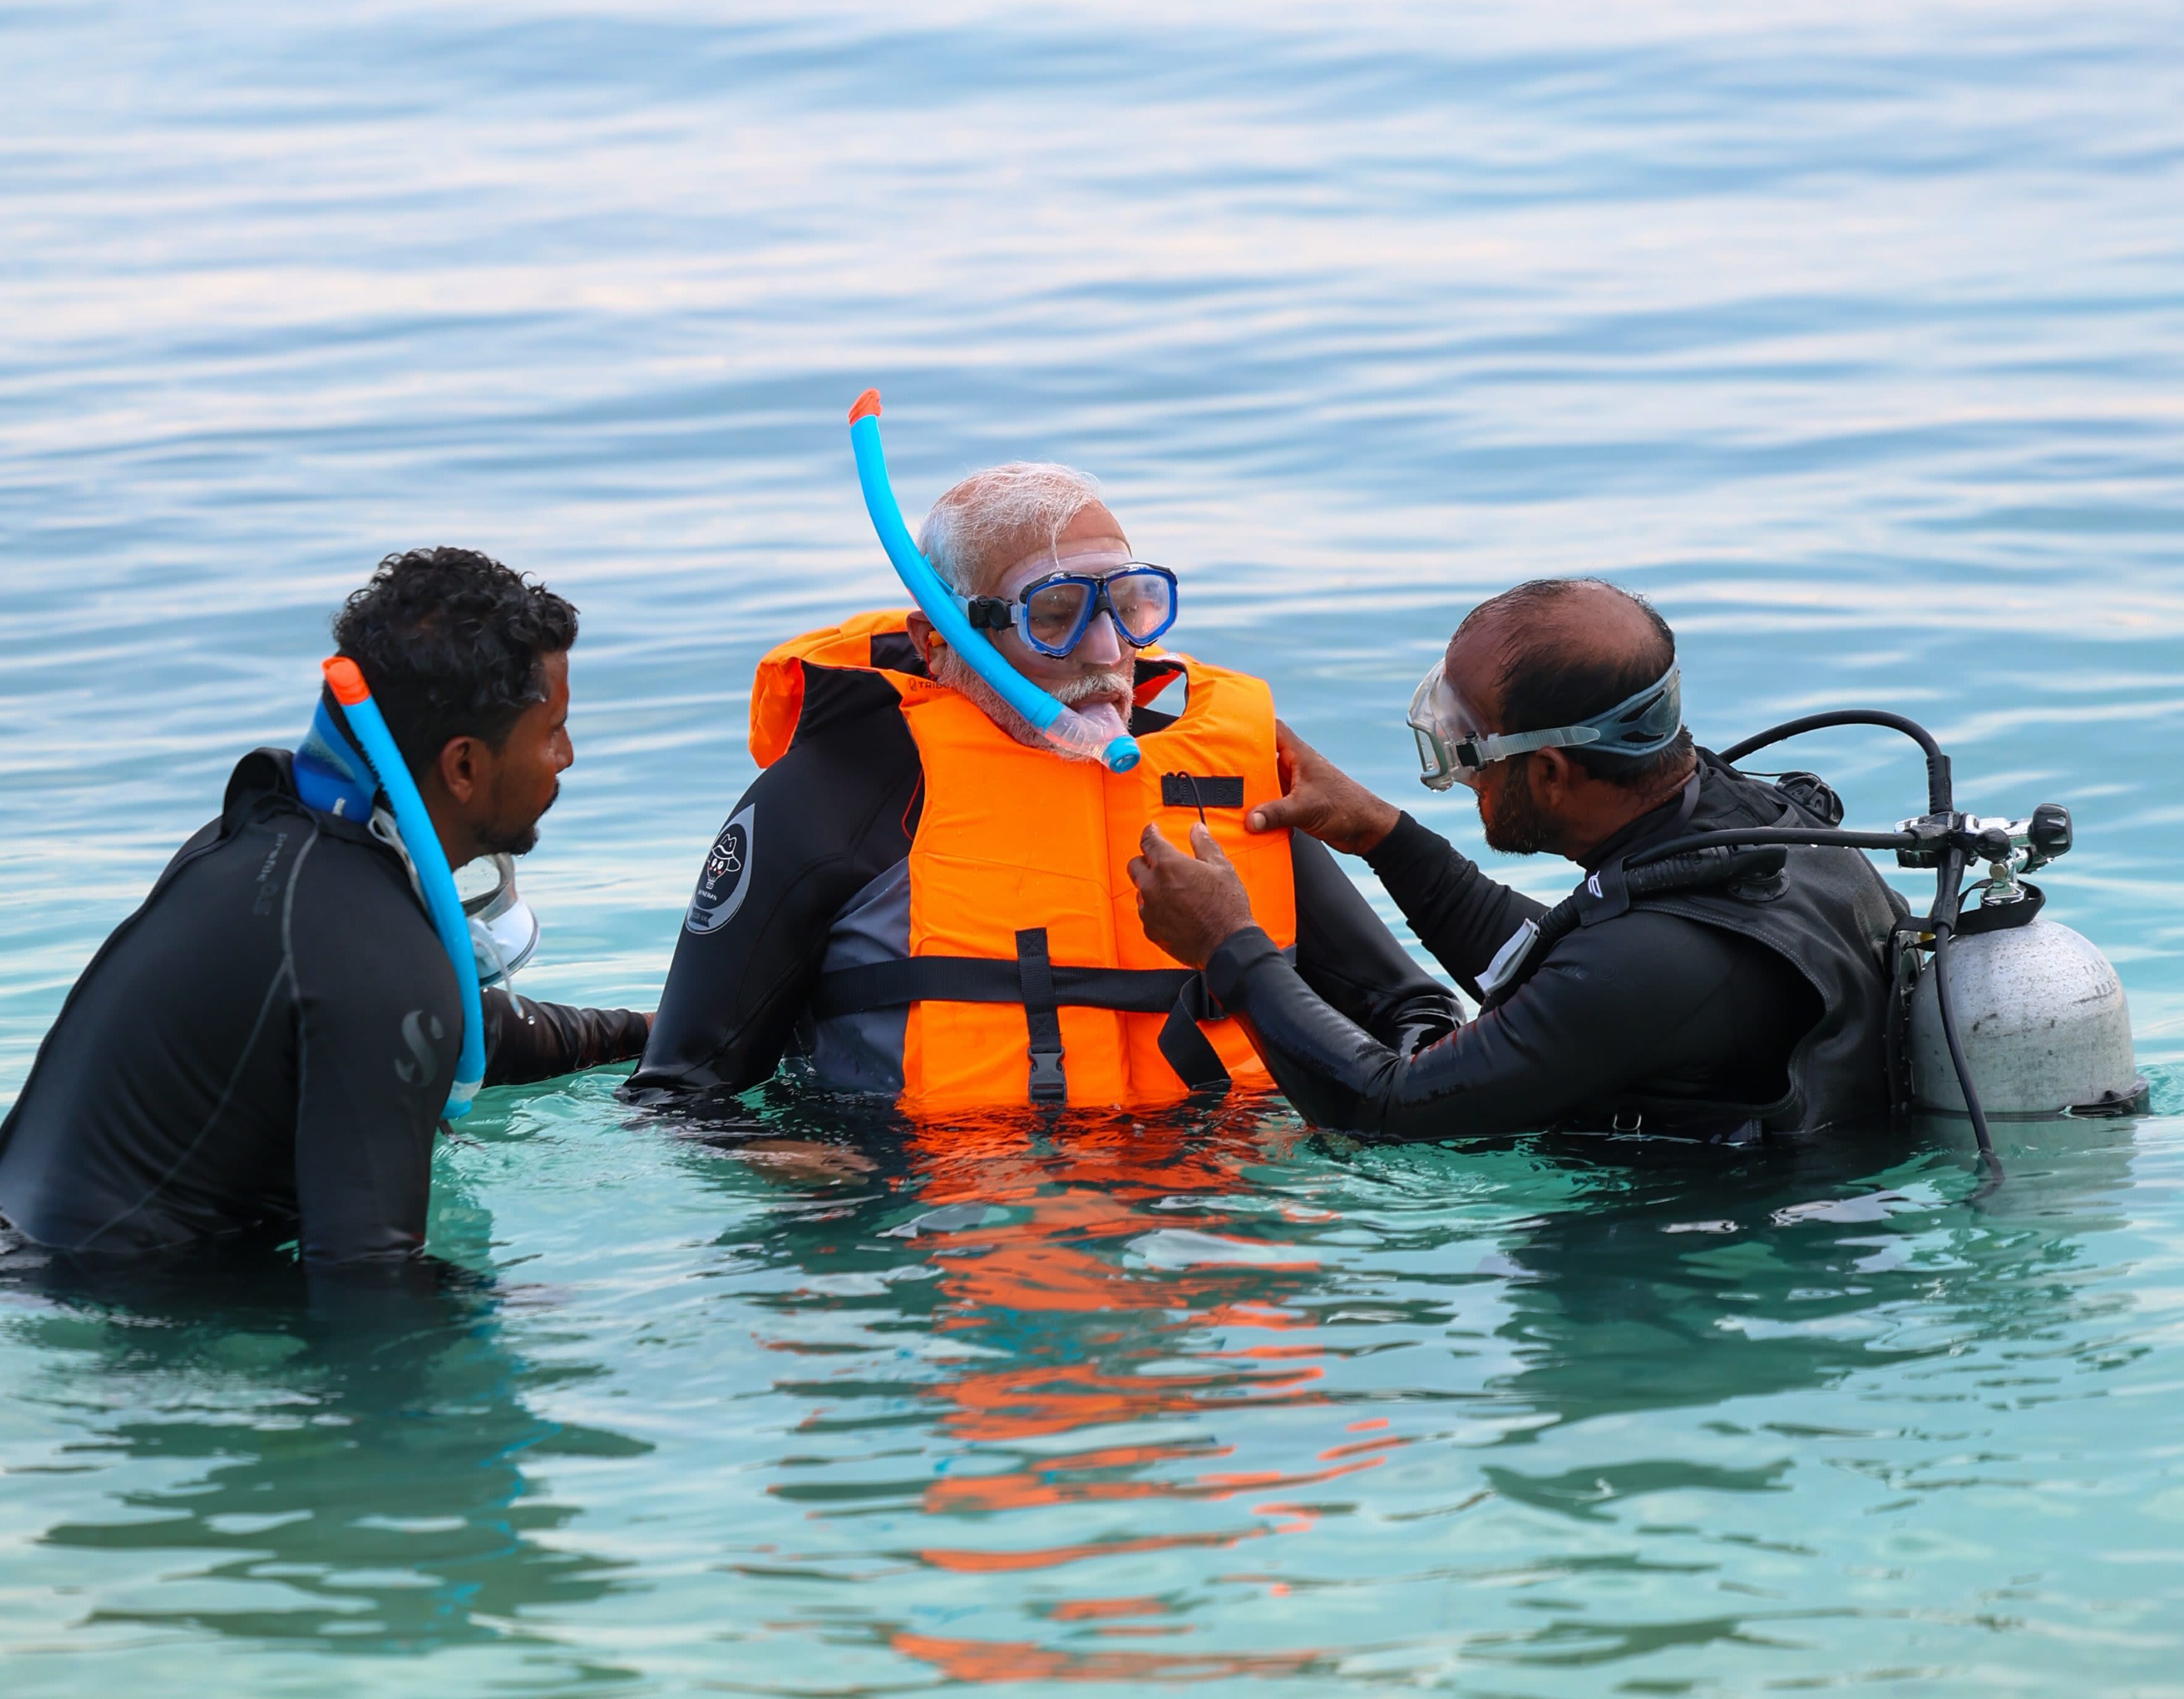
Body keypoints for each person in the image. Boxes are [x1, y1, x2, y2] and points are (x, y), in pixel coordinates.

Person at [629, 463, 1457, 1114]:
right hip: (937, 1232)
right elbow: (675, 1095)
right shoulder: (833, 796)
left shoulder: (1217, 782)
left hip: (1209, 1227)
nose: (1107, 649)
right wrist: (816, 1181)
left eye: (1132, 604)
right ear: (938, 639)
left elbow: (1416, 1012)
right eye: (1054, 615)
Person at [0, 549, 650, 1272]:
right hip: (106, 1308)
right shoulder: (374, 952)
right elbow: (369, 1291)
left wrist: (643, 1032)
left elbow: (434, 1026)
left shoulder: (269, 851)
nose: (566, 755)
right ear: (464, 766)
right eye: (553, 728)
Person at [1128, 577, 1903, 1143]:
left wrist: (1228, 947)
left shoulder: (1650, 962)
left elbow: (1386, 1110)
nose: (1460, 774)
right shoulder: (1757, 823)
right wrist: (1381, 835)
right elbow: (1559, 970)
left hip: (1708, 1270)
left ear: (1552, 774)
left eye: (1468, 749)